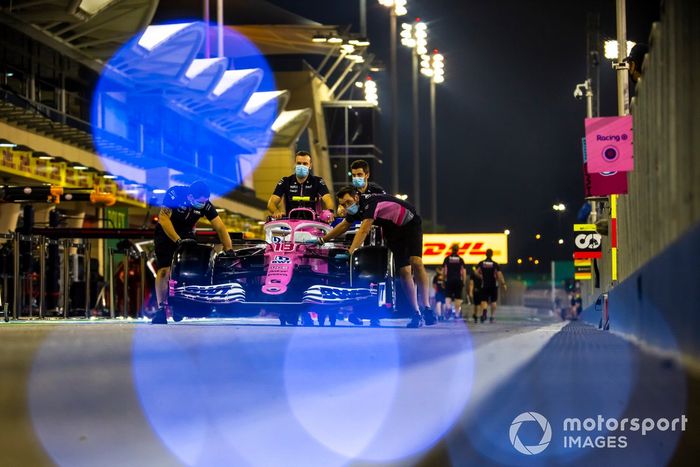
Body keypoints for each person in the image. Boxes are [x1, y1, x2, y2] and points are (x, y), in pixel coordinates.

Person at [316, 187, 436, 328]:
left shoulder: (369, 204)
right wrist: (322, 240)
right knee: (404, 272)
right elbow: (343, 226)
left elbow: (364, 230)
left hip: (410, 224)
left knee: (416, 262)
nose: (346, 206)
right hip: (392, 230)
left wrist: (350, 252)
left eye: (348, 202)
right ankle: (416, 313)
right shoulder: (356, 209)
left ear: (356, 197)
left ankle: (427, 308)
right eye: (343, 204)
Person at [152, 180, 233, 324]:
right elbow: (163, 219)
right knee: (165, 270)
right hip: (166, 233)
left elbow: (220, 227)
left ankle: (181, 305)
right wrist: (177, 241)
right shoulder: (175, 194)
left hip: (187, 233)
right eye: (200, 202)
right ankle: (161, 309)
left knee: (188, 270)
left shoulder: (205, 204)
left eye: (205, 202)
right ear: (190, 197)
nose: (202, 205)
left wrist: (229, 249)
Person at [267, 151, 335, 221]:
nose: (301, 166)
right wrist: (276, 212)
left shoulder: (317, 181)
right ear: (294, 164)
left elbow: (328, 199)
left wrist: (330, 212)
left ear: (310, 165)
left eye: (305, 164)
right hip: (291, 223)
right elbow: (271, 203)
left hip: (313, 223)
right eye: (299, 163)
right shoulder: (286, 181)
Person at [476, 249, 507, 323]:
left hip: (484, 284)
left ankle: (485, 311)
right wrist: (503, 284)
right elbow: (499, 275)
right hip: (493, 285)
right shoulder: (495, 264)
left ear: (485, 254)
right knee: (493, 301)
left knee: (484, 300)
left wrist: (481, 276)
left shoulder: (481, 263)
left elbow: (476, 272)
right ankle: (492, 317)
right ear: (492, 254)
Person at [442, 244, 466, 320]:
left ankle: (448, 307)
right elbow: (463, 271)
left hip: (449, 280)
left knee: (448, 296)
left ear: (451, 249)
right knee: (457, 297)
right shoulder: (460, 259)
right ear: (458, 250)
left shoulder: (447, 259)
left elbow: (444, 271)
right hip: (458, 280)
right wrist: (463, 281)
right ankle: (456, 314)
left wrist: (443, 280)